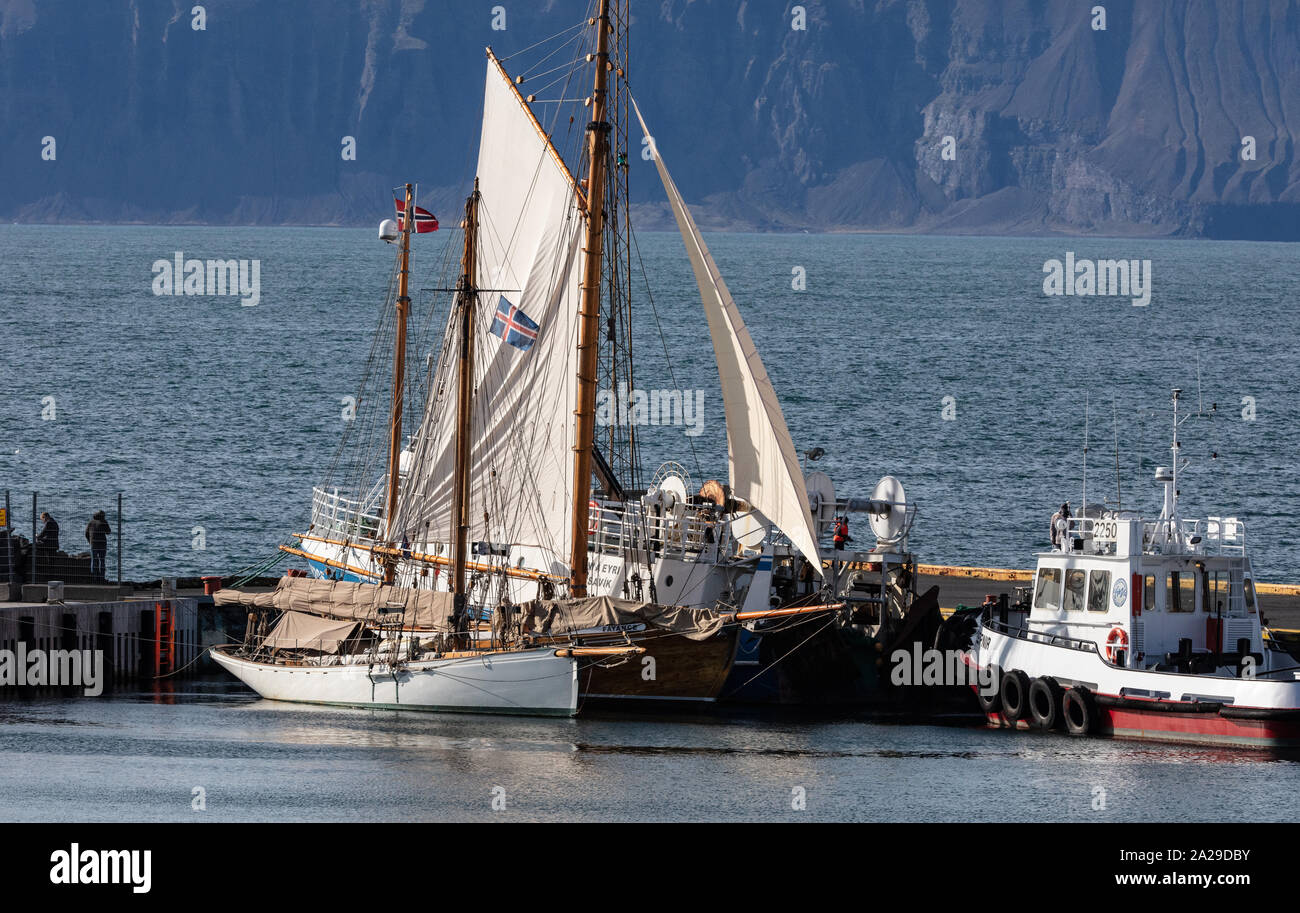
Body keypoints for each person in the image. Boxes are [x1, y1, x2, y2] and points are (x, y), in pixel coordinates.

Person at [85, 510, 112, 582]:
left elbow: (86, 533)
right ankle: (101, 578)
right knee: (102, 561)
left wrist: (89, 541)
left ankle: (94, 578)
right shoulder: (103, 522)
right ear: (102, 516)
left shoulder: (91, 522)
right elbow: (108, 532)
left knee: (94, 560)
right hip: (102, 543)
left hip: (93, 543)